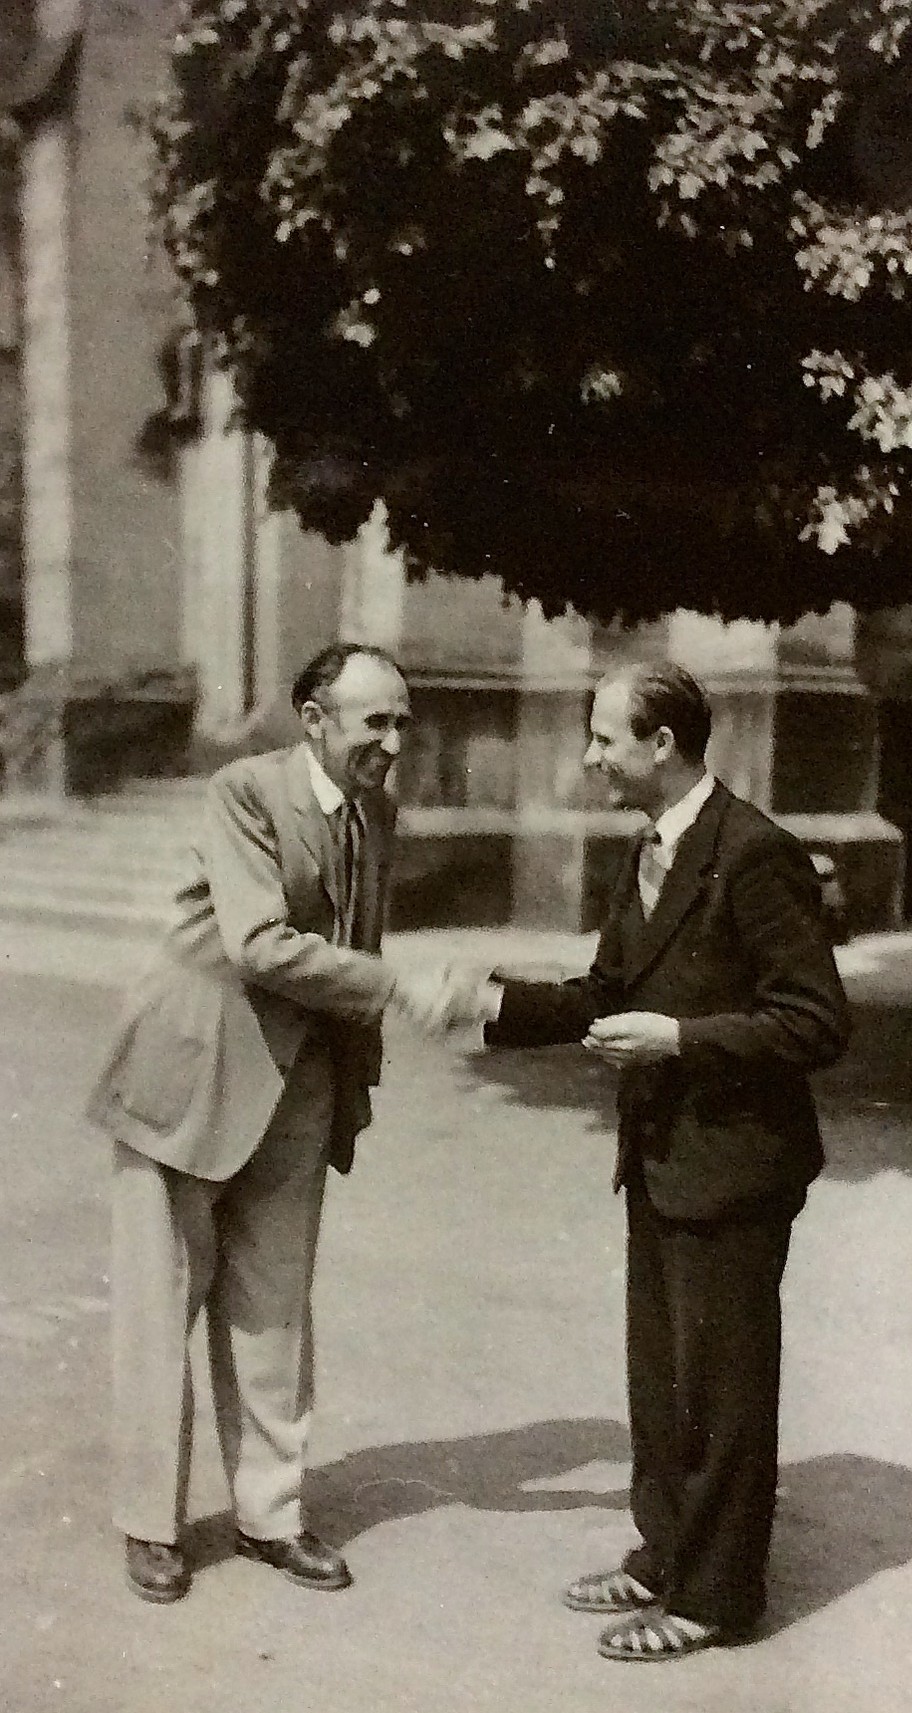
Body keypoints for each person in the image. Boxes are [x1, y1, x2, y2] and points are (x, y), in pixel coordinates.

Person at [436, 661, 850, 1663]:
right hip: (663, 1156)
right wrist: (490, 1002)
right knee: (663, 1377)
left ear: (662, 744)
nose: (590, 758)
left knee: (723, 1390)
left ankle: (714, 1598)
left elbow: (815, 1020)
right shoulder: (650, 848)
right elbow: (605, 991)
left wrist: (679, 1038)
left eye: (604, 738)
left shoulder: (755, 853)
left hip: (737, 1167)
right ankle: (664, 1552)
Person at [88, 642, 426, 1604]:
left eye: (402, 722)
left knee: (276, 1307)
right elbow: (258, 942)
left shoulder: (376, 812)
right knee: (163, 1307)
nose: (394, 742)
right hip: (186, 1080)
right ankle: (150, 1524)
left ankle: (271, 1515)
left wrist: (355, 1073)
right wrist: (402, 986)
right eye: (375, 722)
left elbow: (356, 938)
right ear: (315, 720)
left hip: (299, 1090)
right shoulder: (246, 792)